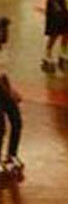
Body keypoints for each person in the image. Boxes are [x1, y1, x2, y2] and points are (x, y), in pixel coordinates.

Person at [0, 17, 24, 177]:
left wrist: (11, 89)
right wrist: (9, 93)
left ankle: (12, 154)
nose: (7, 34)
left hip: (3, 91)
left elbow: (3, 74)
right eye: (3, 30)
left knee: (16, 121)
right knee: (0, 128)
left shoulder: (3, 50)